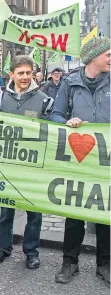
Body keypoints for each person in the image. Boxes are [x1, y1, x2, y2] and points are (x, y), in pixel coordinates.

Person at [50, 36, 110, 287]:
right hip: (77, 157)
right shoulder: (69, 83)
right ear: (93, 57)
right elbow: (54, 114)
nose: (110, 58)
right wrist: (67, 122)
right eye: (108, 54)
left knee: (104, 211)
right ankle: (69, 262)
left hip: (106, 159)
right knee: (74, 212)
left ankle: (104, 265)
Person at [0, 55, 53, 271]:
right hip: (7, 165)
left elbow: (53, 129)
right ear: (12, 75)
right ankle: (4, 247)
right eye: (21, 73)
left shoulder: (45, 100)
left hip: (32, 167)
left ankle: (31, 252)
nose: (25, 77)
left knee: (33, 213)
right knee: (5, 211)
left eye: (29, 73)